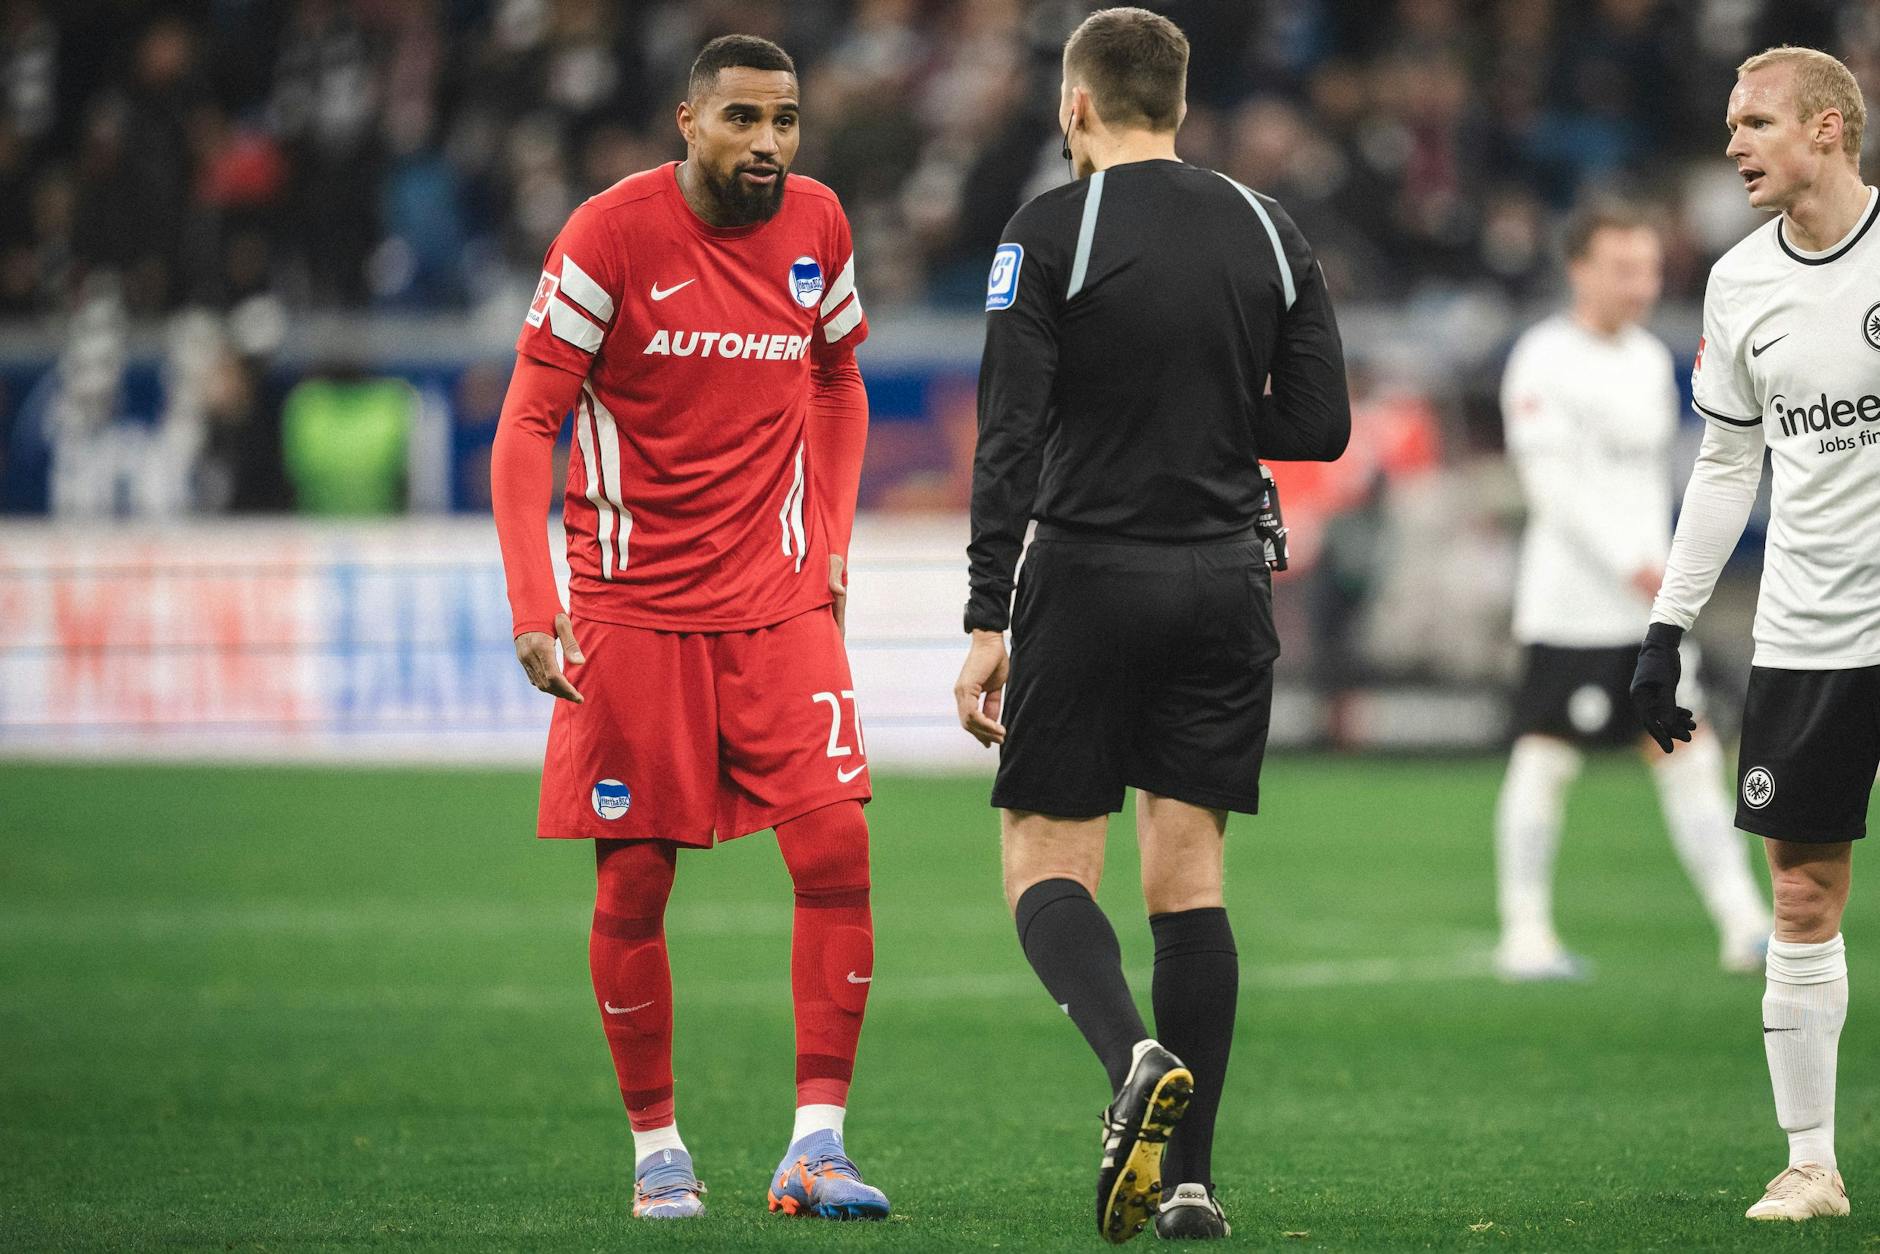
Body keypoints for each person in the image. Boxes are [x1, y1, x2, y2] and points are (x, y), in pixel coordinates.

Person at [953, 8, 1349, 1243]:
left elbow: (1009, 438)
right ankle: (1189, 1186)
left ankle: (1130, 1059)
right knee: (1188, 882)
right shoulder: (1265, 226)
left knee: (1042, 864)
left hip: (1088, 576)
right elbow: (1322, 421)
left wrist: (982, 616)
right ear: (1177, 106)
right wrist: (1208, 412)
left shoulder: (1043, 231)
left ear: (1075, 107)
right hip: (1227, 580)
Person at [489, 34, 885, 1223]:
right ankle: (656, 1147)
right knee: (638, 882)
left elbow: (838, 379)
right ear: (686, 121)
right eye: (743, 120)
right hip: (634, 610)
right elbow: (525, 427)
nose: (768, 143)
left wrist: (829, 543)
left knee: (836, 854)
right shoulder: (609, 236)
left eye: (785, 120)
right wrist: (532, 605)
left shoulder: (817, 224)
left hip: (775, 603)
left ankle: (816, 1147)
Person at [1631, 45, 1878, 1223]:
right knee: (1797, 901)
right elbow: (1725, 464)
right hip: (1805, 633)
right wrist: (1664, 626)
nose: (1732, 143)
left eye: (1757, 122)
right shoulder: (1735, 283)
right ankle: (1810, 1162)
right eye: (1731, 124)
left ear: (1827, 129)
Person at [1494, 206, 1771, 982]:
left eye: (1649, 268)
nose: (1643, 285)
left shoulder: (1653, 359)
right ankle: (1525, 934)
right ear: (1580, 269)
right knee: (1546, 757)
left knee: (1687, 750)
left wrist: (1666, 571)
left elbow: (1651, 486)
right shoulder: (1542, 359)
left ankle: (1741, 923)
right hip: (1570, 607)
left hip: (1648, 609)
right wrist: (1632, 563)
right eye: (1624, 268)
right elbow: (1549, 488)